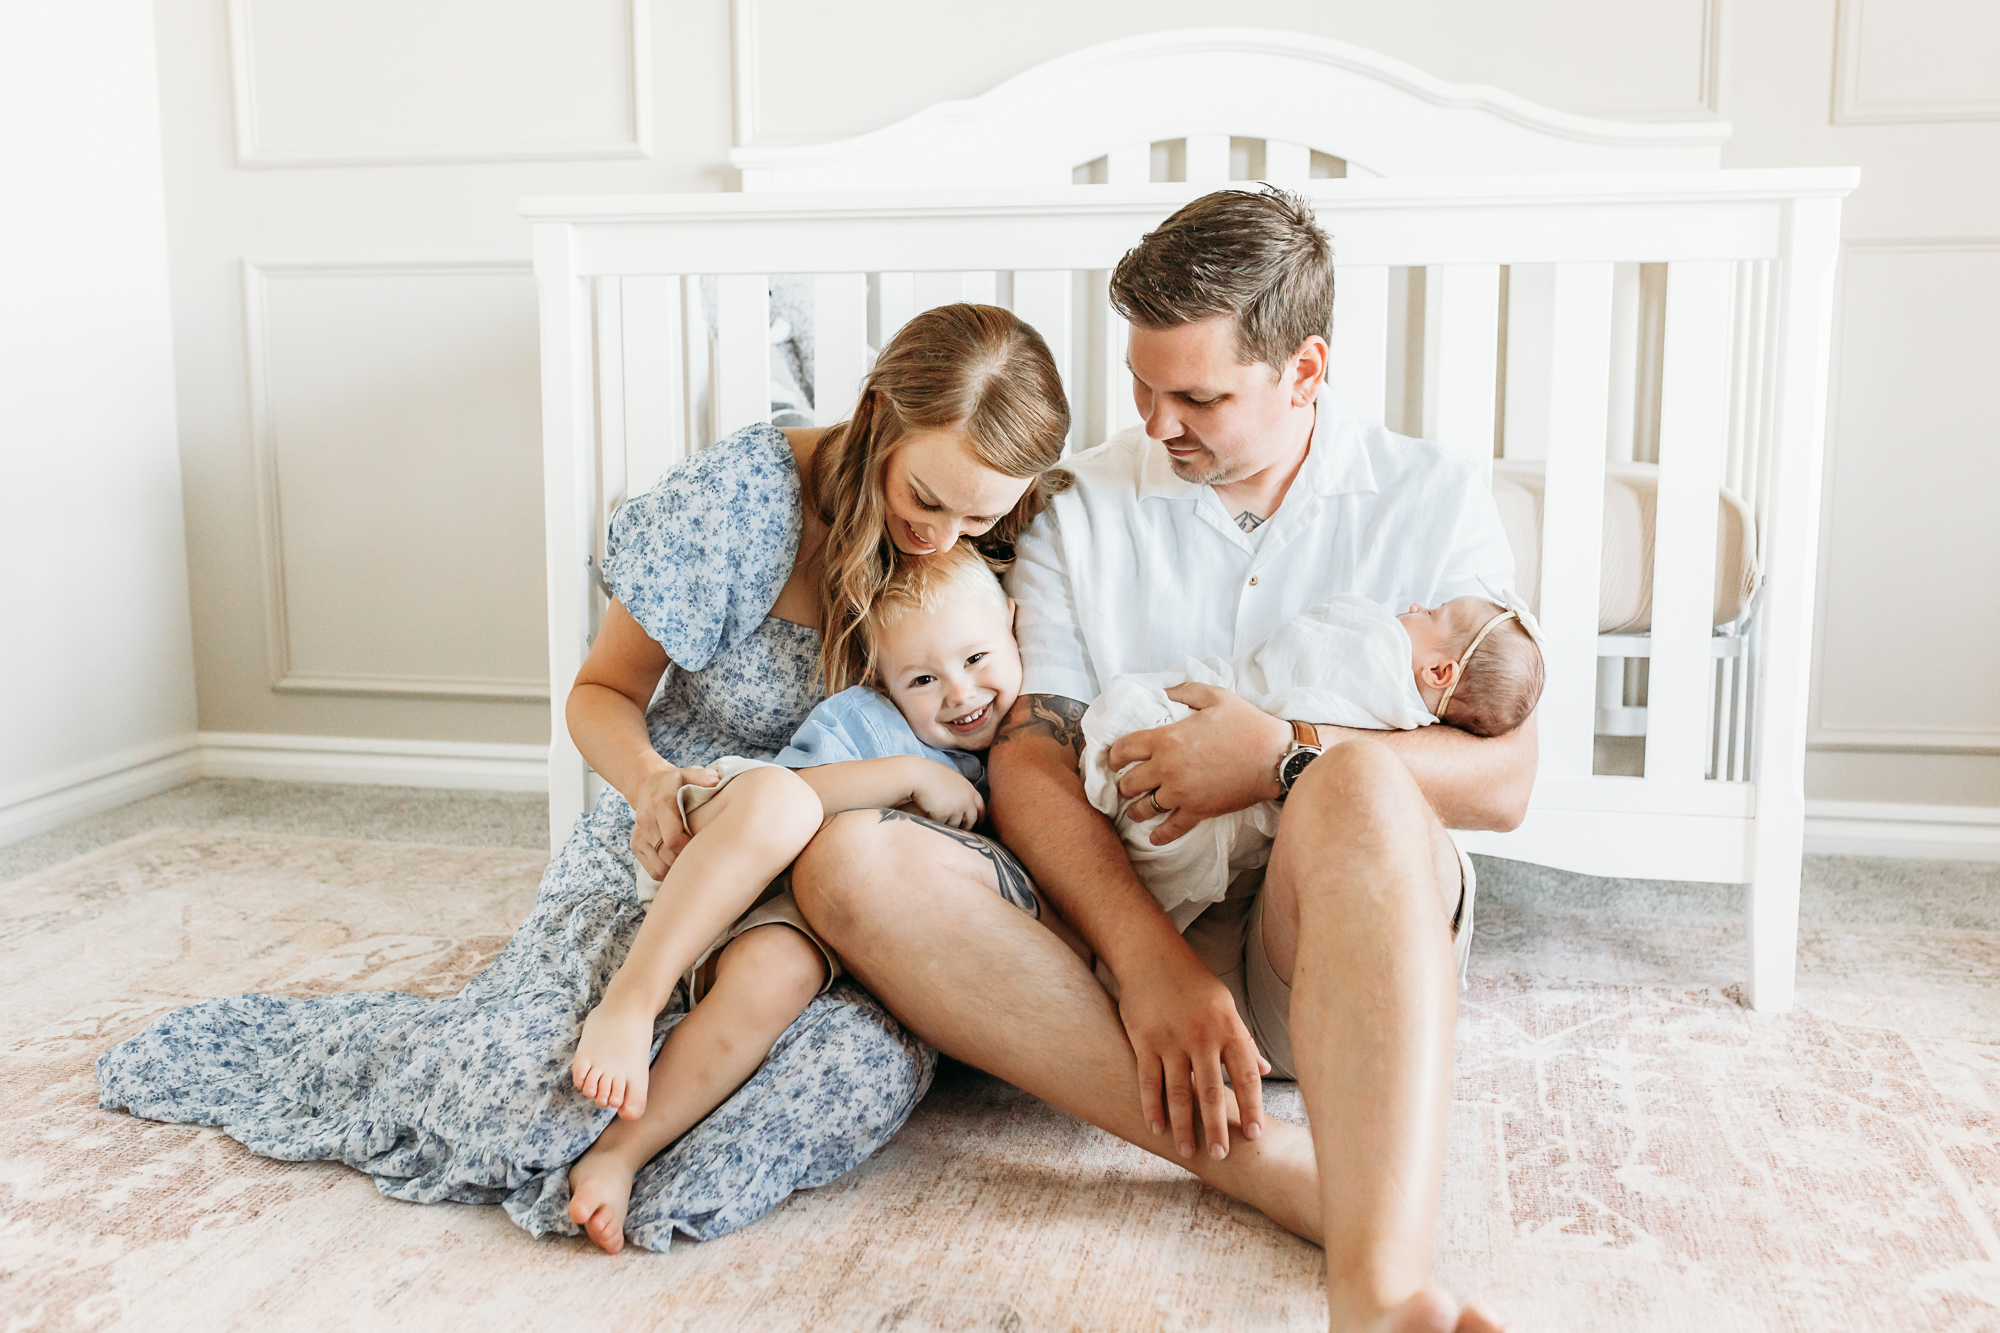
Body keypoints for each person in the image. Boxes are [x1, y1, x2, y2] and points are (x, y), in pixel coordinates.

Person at [95, 302, 1073, 1254]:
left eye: (975, 516)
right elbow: (601, 692)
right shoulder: (735, 505)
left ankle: (621, 1159)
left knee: (831, 1086)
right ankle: (443, 1059)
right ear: (873, 422)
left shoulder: (1001, 535)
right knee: (511, 1102)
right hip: (679, 839)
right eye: (925, 501)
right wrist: (650, 783)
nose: (943, 537)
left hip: (854, 891)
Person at [789, 188, 1529, 1331]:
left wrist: (1280, 758)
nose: (1158, 421)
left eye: (1196, 396)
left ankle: (1376, 1291)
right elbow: (1029, 755)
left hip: (1324, 929)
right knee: (846, 863)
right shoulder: (1083, 501)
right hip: (1112, 942)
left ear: (1304, 370)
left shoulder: (1427, 498)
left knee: (1362, 783)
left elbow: (1506, 781)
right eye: (1142, 386)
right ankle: (1271, 1168)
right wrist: (1147, 962)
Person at [566, 543, 1060, 1252]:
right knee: (775, 901)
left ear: (1014, 625)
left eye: (977, 658)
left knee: (789, 982)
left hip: (868, 926)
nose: (959, 691)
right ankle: (626, 1070)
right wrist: (905, 773)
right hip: (760, 865)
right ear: (882, 681)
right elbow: (793, 798)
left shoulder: (1037, 734)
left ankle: (630, 1153)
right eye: (923, 677)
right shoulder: (866, 723)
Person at [1079, 593, 1544, 942]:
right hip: (1200, 869)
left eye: (1431, 613)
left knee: (1382, 812)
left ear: (1440, 673)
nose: (1416, 604)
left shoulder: (1378, 648)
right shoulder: (1409, 724)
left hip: (1295, 889)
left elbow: (1507, 792)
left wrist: (1276, 749)